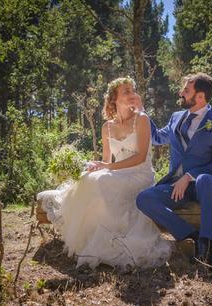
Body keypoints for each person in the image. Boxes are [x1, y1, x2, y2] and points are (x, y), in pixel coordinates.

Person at [37, 77, 171, 270]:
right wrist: (96, 165)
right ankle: (89, 236)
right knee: (88, 177)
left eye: (132, 90)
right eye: (126, 91)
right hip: (118, 174)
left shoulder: (142, 119)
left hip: (139, 175)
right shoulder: (107, 127)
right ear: (114, 98)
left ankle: (112, 238)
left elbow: (141, 157)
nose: (132, 94)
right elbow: (107, 160)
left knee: (101, 182)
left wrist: (107, 168)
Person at [136, 72, 212, 271]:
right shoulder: (176, 117)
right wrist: (142, 112)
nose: (181, 93)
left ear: (200, 97)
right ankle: (193, 237)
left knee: (206, 179)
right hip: (175, 186)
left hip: (203, 187)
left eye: (186, 91)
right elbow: (155, 138)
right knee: (143, 199)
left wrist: (189, 176)